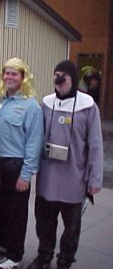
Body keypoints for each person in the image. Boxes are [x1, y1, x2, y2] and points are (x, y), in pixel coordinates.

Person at [27, 60, 104, 269]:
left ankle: (65, 259)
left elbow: (96, 145)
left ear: (73, 79)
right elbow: (35, 137)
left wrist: (95, 178)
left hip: (74, 178)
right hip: (48, 177)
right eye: (56, 76)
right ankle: (44, 256)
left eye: (64, 77)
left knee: (71, 226)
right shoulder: (47, 103)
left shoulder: (87, 107)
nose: (59, 81)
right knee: (44, 222)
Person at [0, 58, 44, 269]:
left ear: (23, 77)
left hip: (15, 167)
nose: (9, 77)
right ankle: (2, 244)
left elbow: (34, 142)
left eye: (14, 74)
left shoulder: (31, 106)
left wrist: (26, 175)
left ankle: (15, 255)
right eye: (6, 73)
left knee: (15, 214)